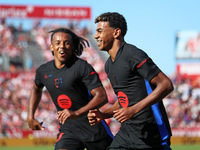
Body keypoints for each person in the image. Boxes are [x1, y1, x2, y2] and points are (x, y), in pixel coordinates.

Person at [88, 12, 174, 150]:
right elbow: (124, 100)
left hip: (150, 132)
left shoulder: (133, 54)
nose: (96, 36)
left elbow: (166, 85)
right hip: (127, 132)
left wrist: (133, 110)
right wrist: (103, 114)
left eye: (100, 31)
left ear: (116, 33)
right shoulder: (109, 64)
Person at [27, 27, 113, 150]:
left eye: (66, 43)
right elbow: (36, 89)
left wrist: (76, 113)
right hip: (69, 131)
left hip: (94, 129)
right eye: (57, 43)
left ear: (72, 47)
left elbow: (102, 96)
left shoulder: (82, 67)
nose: (62, 46)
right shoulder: (43, 71)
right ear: (51, 46)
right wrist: (30, 116)